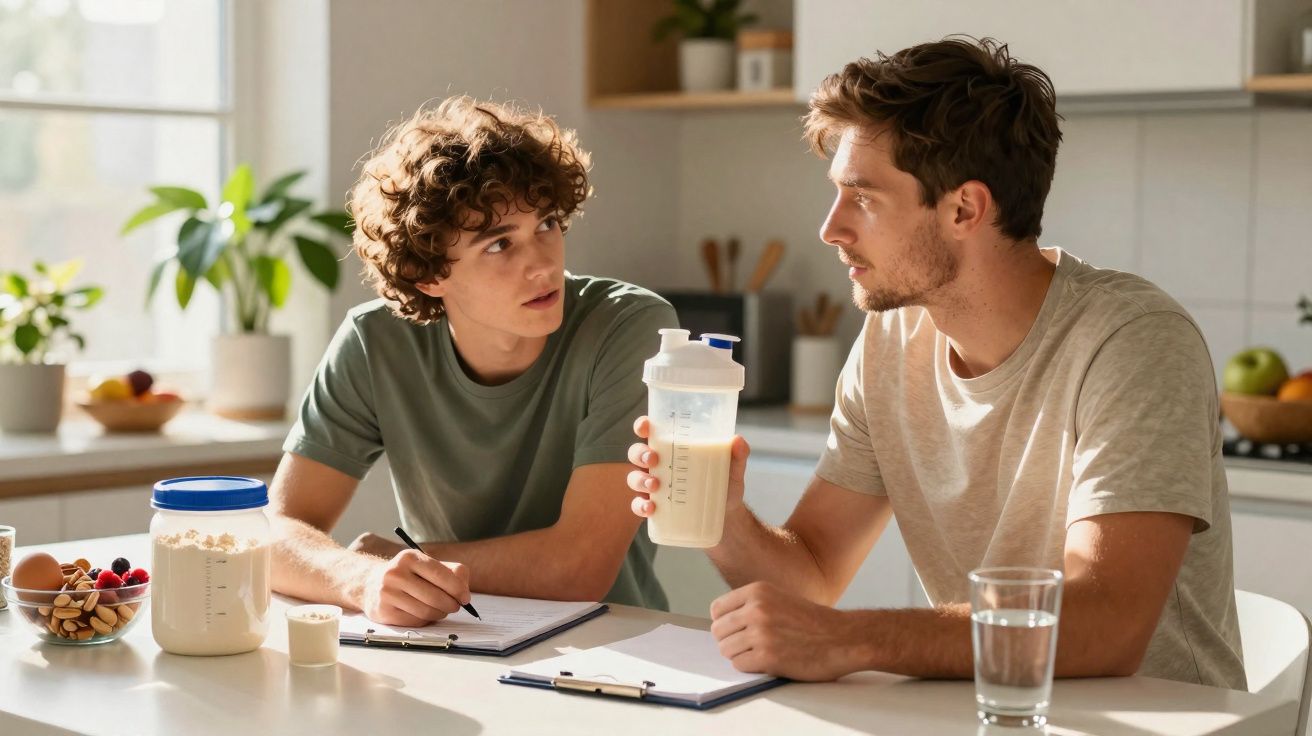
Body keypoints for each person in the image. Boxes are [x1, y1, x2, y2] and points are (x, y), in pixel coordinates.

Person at [626, 37, 1245, 689]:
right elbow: (811, 571)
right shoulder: (891, 341)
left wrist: (856, 639)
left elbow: (1108, 624)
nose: (830, 229)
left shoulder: (1133, 341)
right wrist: (722, 517)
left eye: (862, 197)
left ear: (964, 209)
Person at [270, 96, 676, 626]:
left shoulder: (630, 327)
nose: (542, 265)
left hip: (613, 647)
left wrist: (409, 561)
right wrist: (361, 577)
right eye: (498, 245)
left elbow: (578, 569)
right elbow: (275, 531)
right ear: (430, 275)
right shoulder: (375, 342)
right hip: (448, 639)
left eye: (547, 224)